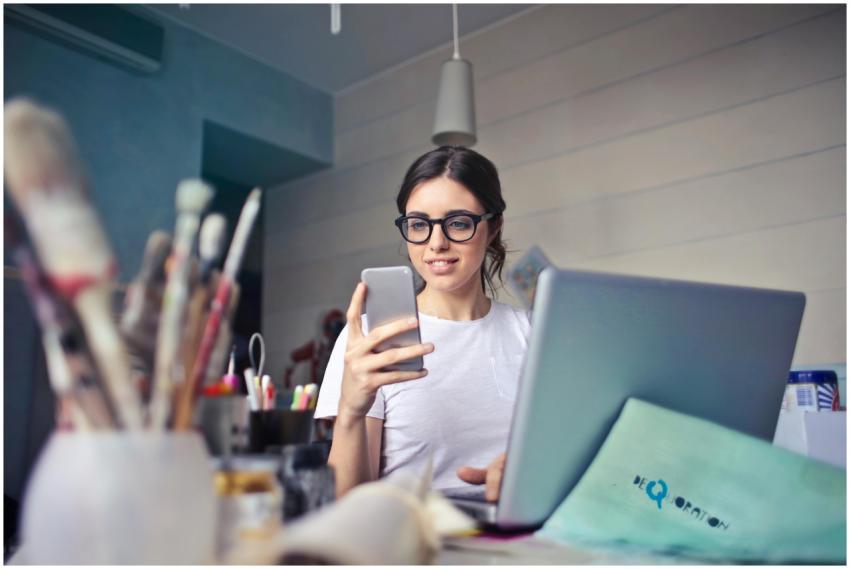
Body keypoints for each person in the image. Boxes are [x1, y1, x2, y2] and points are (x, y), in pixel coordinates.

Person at [314, 146, 531, 501]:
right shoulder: (371, 339)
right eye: (419, 225)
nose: (436, 243)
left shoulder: (532, 333)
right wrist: (351, 412)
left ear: (493, 227)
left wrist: (528, 473)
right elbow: (347, 505)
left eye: (458, 222)